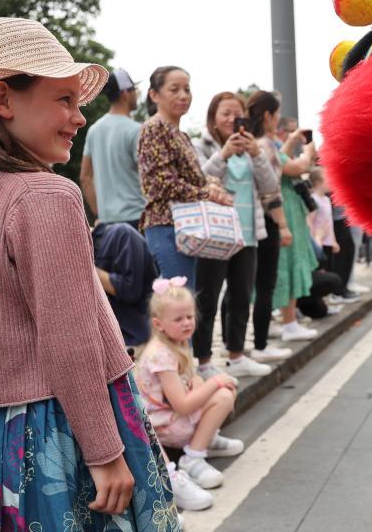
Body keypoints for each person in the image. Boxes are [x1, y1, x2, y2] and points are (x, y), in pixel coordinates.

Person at [0, 17, 177, 530]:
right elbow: (70, 339)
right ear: (3, 101)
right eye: (63, 100)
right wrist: (106, 452)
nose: (79, 117)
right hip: (60, 425)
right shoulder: (48, 195)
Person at [192, 92, 289, 377]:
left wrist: (257, 155)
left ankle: (237, 357)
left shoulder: (254, 148)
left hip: (247, 235)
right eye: (225, 113)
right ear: (213, 117)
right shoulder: (202, 144)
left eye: (237, 113)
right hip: (214, 235)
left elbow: (271, 186)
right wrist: (223, 155)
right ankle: (204, 362)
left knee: (240, 297)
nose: (232, 119)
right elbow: (198, 180)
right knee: (206, 299)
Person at [135, 278, 244, 495]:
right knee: (222, 394)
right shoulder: (161, 355)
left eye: (189, 316)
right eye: (178, 319)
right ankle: (193, 457)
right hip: (163, 426)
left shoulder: (176, 339)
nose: (186, 323)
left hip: (171, 415)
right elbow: (183, 405)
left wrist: (200, 382)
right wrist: (213, 382)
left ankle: (204, 440)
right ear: (158, 324)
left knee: (224, 392)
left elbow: (191, 379)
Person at [138, 66, 231, 282]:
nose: (183, 96)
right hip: (166, 227)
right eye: (174, 89)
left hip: (184, 227)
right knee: (177, 302)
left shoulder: (180, 134)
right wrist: (206, 193)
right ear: (154, 95)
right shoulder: (154, 128)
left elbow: (195, 177)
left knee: (183, 303)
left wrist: (212, 185)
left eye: (187, 89)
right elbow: (162, 184)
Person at [246, 91, 318, 345]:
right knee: (286, 265)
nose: (278, 119)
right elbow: (295, 167)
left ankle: (280, 321)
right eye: (276, 114)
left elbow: (281, 160)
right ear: (267, 115)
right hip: (281, 209)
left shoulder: (260, 142)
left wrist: (291, 141)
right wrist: (309, 151)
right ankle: (289, 322)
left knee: (277, 269)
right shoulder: (264, 144)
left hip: (278, 209)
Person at [81, 68, 146, 229]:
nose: (136, 94)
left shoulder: (94, 130)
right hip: (137, 219)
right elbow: (148, 176)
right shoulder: (136, 130)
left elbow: (85, 177)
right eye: (134, 90)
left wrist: (99, 214)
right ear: (125, 93)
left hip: (106, 223)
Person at [93, 221, 158, 350]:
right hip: (107, 338)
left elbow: (130, 290)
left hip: (138, 337)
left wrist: (87, 268)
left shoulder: (121, 234)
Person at [307, 167, 359, 305]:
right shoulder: (314, 200)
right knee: (323, 269)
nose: (331, 182)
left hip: (329, 240)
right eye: (327, 179)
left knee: (330, 267)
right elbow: (310, 223)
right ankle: (328, 297)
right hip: (320, 242)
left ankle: (331, 295)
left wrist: (334, 240)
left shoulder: (325, 199)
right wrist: (315, 241)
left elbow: (329, 222)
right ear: (318, 182)